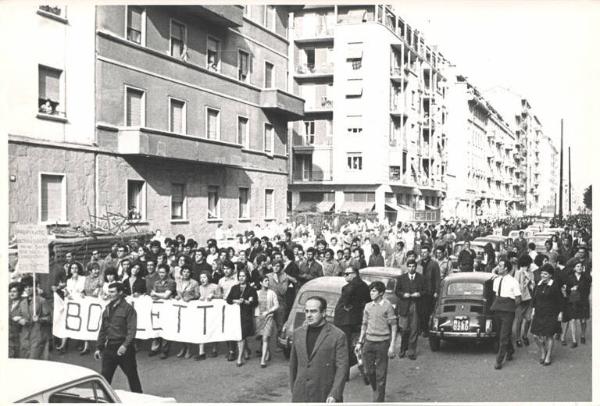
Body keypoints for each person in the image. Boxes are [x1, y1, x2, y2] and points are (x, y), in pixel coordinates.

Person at [289, 296, 348, 403]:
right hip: (301, 395)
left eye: (313, 311)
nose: (308, 315)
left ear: (324, 312)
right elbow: (293, 365)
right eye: (306, 311)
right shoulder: (298, 333)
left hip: (325, 396)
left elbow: (342, 368)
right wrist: (294, 389)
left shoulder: (337, 335)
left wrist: (334, 394)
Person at [94, 282, 142, 393]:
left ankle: (140, 400)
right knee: (105, 378)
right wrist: (98, 347)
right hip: (109, 348)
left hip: (124, 349)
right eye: (108, 292)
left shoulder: (128, 309)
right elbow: (103, 329)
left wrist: (125, 346)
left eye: (112, 292)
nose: (109, 294)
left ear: (120, 293)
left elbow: (132, 330)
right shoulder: (107, 308)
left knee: (132, 377)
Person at [356, 281, 397, 402]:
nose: (371, 293)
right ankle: (376, 389)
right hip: (369, 342)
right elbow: (364, 325)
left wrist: (392, 345)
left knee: (381, 374)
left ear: (381, 293)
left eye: (374, 291)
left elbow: (394, 326)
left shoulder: (388, 305)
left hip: (383, 343)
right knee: (368, 371)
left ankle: (378, 400)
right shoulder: (368, 306)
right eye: (371, 291)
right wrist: (359, 342)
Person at [334, 265, 370, 380]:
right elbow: (367, 301)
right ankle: (358, 364)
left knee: (343, 347)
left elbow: (346, 300)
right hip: (356, 319)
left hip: (343, 320)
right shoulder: (364, 286)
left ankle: (344, 374)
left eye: (347, 274)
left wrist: (347, 305)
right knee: (353, 344)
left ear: (355, 274)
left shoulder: (348, 287)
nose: (345, 276)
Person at [531, 264, 567, 366]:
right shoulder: (539, 284)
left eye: (545, 274)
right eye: (542, 273)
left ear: (550, 275)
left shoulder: (554, 285)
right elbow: (534, 298)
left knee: (549, 335)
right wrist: (533, 309)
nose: (543, 275)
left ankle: (548, 356)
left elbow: (560, 300)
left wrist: (560, 313)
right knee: (535, 335)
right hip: (539, 313)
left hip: (550, 313)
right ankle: (543, 351)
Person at [491, 259, 521, 370]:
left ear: (506, 268)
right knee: (501, 334)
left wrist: (512, 309)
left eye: (500, 266)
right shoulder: (496, 280)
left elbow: (518, 298)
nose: (498, 267)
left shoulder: (513, 281)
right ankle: (510, 350)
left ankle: (499, 361)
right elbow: (496, 295)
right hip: (497, 309)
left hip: (508, 311)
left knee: (503, 336)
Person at [226, 268, 258, 367]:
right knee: (239, 335)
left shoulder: (251, 289)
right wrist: (236, 301)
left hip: (246, 315)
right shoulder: (234, 287)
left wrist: (247, 302)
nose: (241, 278)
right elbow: (228, 299)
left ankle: (240, 358)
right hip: (235, 315)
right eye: (240, 276)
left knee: (241, 336)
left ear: (247, 277)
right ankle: (246, 351)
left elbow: (255, 302)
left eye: (243, 276)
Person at [16, 275, 52, 359]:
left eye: (30, 286)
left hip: (37, 336)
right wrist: (20, 320)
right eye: (25, 287)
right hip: (25, 337)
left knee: (34, 361)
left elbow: (49, 318)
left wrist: (39, 319)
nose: (28, 289)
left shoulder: (42, 301)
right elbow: (19, 315)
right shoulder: (22, 302)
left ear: (35, 287)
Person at [395, 260, 424, 360]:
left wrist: (419, 294)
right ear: (407, 267)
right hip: (405, 306)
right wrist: (403, 294)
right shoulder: (401, 278)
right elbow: (397, 291)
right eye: (409, 266)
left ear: (416, 267)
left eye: (413, 267)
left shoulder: (421, 278)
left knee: (414, 329)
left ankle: (411, 351)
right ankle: (403, 349)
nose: (411, 268)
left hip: (415, 305)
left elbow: (425, 290)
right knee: (404, 329)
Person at [149, 264, 176, 359]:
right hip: (157, 308)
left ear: (167, 273)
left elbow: (166, 296)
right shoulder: (156, 283)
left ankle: (165, 350)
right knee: (156, 326)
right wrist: (160, 295)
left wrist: (157, 294)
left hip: (168, 308)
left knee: (165, 328)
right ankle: (155, 348)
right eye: (160, 272)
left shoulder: (171, 282)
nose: (161, 274)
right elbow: (152, 296)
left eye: (163, 272)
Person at [563, 261, 591, 347]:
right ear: (574, 268)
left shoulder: (585, 277)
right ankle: (574, 340)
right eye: (577, 266)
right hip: (573, 301)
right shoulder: (570, 277)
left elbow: (589, 285)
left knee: (583, 320)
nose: (579, 268)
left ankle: (582, 335)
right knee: (573, 320)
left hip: (583, 301)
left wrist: (585, 273)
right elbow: (566, 288)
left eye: (581, 266)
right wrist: (571, 289)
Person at [175, 265, 200, 359]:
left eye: (188, 272)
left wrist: (191, 297)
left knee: (187, 328)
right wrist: (177, 296)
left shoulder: (194, 283)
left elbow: (197, 295)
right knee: (180, 328)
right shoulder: (178, 281)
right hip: (180, 307)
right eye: (184, 271)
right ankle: (183, 348)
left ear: (190, 273)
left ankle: (189, 349)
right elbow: (177, 293)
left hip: (190, 307)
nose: (185, 273)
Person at [196, 272, 222, 360]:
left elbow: (221, 297)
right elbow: (196, 297)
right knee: (201, 330)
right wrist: (199, 298)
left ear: (208, 277)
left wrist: (214, 296)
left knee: (213, 329)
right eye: (201, 277)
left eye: (204, 277)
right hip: (202, 312)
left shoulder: (215, 286)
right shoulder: (199, 287)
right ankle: (201, 352)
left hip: (213, 312)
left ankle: (214, 349)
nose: (202, 279)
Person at [255, 274, 279, 367]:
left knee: (265, 337)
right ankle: (267, 351)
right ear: (260, 283)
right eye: (265, 281)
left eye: (268, 280)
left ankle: (262, 360)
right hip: (258, 318)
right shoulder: (256, 293)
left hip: (269, 317)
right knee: (263, 337)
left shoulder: (272, 293)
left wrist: (268, 311)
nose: (267, 282)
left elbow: (276, 305)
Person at [513, 255, 534, 348]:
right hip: (521, 298)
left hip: (529, 298)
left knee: (529, 319)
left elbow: (533, 286)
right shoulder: (518, 273)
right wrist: (525, 279)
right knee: (519, 320)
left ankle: (525, 335)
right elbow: (517, 286)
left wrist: (530, 280)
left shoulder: (530, 273)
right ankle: (518, 338)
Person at [420, 245, 440, 337]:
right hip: (420, 291)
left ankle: (427, 329)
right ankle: (422, 328)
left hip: (429, 291)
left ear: (429, 253)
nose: (423, 254)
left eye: (425, 252)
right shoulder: (418, 263)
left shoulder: (434, 264)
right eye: (422, 252)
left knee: (428, 311)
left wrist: (436, 291)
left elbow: (437, 279)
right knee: (421, 311)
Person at [9, 282, 24, 358]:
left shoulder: (23, 303)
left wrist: (21, 318)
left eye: (14, 291)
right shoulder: (8, 302)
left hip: (18, 336)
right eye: (10, 291)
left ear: (20, 292)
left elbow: (26, 317)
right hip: (8, 335)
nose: (11, 294)